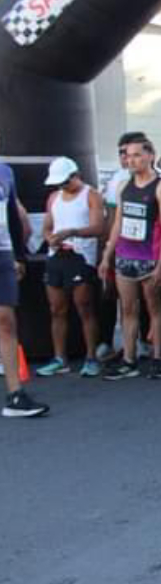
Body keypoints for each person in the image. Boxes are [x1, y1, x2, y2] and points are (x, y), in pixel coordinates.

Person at [100, 138, 161, 381]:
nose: (131, 160)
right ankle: (129, 359)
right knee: (128, 309)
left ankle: (157, 357)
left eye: (137, 155)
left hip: (149, 257)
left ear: (150, 156)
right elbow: (118, 223)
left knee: (155, 308)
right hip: (125, 255)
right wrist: (107, 254)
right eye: (128, 155)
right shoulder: (124, 185)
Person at [38, 157, 105, 378]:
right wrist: (51, 238)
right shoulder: (54, 197)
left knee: (84, 307)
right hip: (57, 256)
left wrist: (72, 232)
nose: (62, 187)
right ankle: (59, 358)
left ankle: (91, 357)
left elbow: (98, 227)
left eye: (65, 182)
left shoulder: (91, 195)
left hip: (81, 256)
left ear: (75, 175)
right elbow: (47, 226)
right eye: (59, 183)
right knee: (56, 309)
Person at [0, 159, 45, 417]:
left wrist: (19, 255)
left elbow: (12, 215)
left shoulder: (5, 171)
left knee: (6, 322)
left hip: (3, 254)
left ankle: (15, 395)